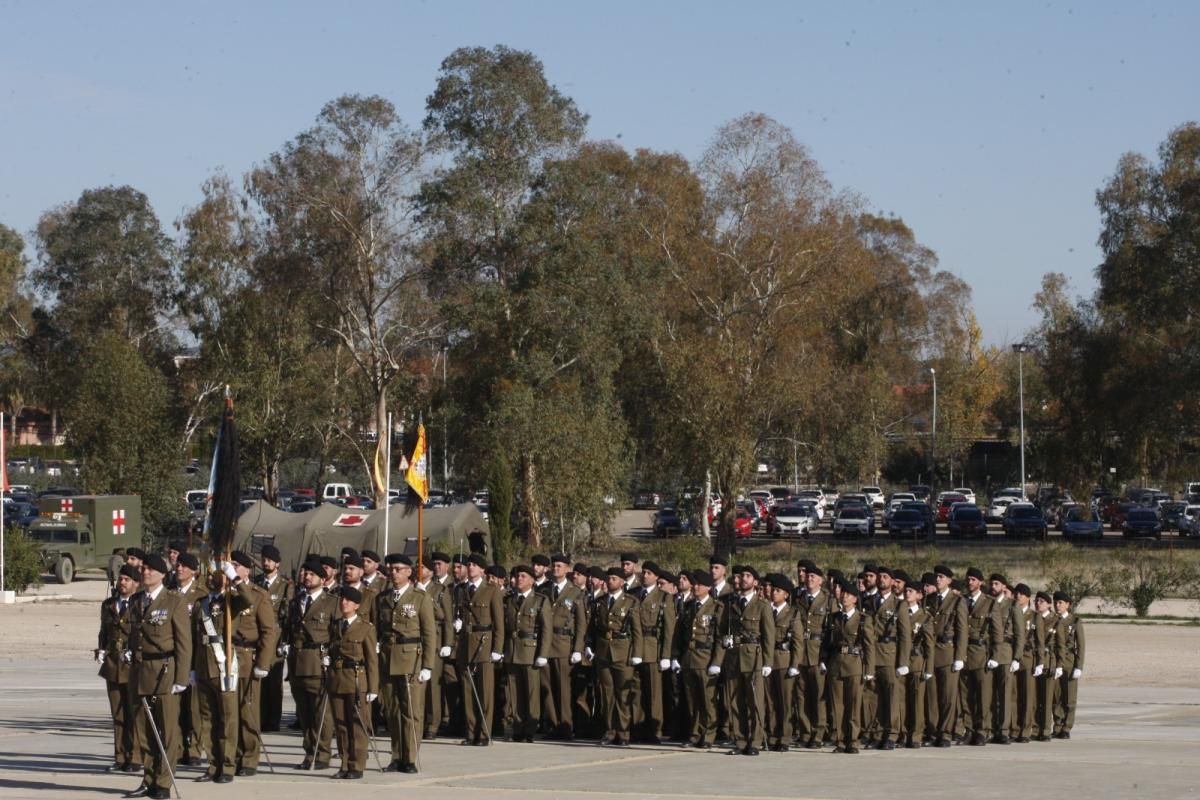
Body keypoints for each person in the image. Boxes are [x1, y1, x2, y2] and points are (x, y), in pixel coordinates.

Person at [126, 554, 192, 800]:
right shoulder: (136, 601)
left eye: (152, 570)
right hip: (141, 670)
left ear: (163, 574)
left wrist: (182, 678)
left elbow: (184, 643)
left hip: (165, 670)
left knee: (167, 730)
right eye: (144, 569)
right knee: (144, 730)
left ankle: (163, 781)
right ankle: (149, 777)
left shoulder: (173, 601)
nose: (145, 573)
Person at [190, 562, 254, 784]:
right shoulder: (200, 604)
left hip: (224, 664)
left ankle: (227, 766)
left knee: (227, 719)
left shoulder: (230, 602)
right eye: (209, 575)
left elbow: (248, 600)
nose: (211, 579)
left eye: (217, 575)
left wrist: (235, 578)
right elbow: (192, 638)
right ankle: (213, 764)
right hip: (203, 666)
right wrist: (191, 669)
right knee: (207, 719)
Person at [375, 554, 436, 773]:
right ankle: (396, 755)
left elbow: (429, 633)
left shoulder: (420, 597)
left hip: (412, 659)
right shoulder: (382, 598)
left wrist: (428, 665)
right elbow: (378, 629)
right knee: (392, 711)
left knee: (411, 711)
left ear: (409, 572)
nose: (393, 573)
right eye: (391, 569)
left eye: (398, 569)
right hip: (388, 658)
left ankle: (409, 757)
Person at [223, 551, 279, 776]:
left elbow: (268, 631)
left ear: (246, 569)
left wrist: (264, 662)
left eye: (236, 565)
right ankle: (231, 756)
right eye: (231, 565)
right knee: (229, 711)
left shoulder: (258, 595)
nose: (233, 569)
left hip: (247, 655)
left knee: (248, 711)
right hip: (226, 656)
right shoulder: (225, 592)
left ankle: (249, 758)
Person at [286, 557, 338, 770]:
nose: (307, 577)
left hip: (318, 663)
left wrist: (332, 658)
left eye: (312, 574)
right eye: (305, 573)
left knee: (321, 713)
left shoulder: (332, 603)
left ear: (323, 579)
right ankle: (309, 752)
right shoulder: (295, 602)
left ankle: (323, 754)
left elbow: (337, 634)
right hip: (298, 662)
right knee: (305, 713)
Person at [326, 586, 378, 780]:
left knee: (357, 724)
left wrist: (372, 687)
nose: (343, 603)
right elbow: (331, 649)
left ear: (357, 605)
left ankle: (357, 765)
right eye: (342, 599)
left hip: (357, 680)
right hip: (337, 679)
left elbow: (372, 659)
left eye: (348, 600)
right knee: (341, 725)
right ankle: (345, 762)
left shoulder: (366, 627)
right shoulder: (336, 625)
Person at [722, 565, 774, 756]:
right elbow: (723, 630)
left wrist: (768, 662)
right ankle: (740, 740)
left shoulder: (762, 605)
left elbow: (769, 635)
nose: (743, 579)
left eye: (747, 576)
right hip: (734, 656)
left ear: (755, 582)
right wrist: (724, 640)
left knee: (755, 701)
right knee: (735, 701)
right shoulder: (731, 604)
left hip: (754, 657)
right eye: (741, 575)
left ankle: (756, 741)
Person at [455, 554, 505, 746]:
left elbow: (499, 622)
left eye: (474, 565)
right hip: (466, 642)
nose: (471, 567)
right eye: (469, 564)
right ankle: (470, 732)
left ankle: (484, 732)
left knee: (484, 691)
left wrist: (497, 648)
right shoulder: (462, 589)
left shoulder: (491, 590)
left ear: (483, 570)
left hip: (484, 643)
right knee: (468, 691)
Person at [97, 564, 143, 774]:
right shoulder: (108, 605)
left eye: (127, 579)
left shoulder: (140, 604)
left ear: (136, 583)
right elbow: (104, 632)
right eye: (121, 579)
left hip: (132, 665)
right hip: (113, 664)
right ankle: (120, 755)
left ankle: (134, 756)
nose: (122, 583)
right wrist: (101, 650)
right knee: (118, 713)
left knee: (134, 712)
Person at [589, 567, 642, 746]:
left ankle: (624, 732)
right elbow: (594, 627)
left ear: (621, 582)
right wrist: (590, 647)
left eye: (614, 578)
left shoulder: (631, 602)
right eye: (608, 578)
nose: (610, 581)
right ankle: (610, 730)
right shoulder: (600, 601)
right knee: (607, 694)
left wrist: (637, 653)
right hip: (604, 652)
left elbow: (637, 632)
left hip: (623, 651)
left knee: (623, 694)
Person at [673, 570, 724, 748]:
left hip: (706, 658)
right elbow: (680, 634)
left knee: (707, 701)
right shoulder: (688, 606)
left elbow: (720, 638)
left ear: (708, 587)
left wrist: (716, 662)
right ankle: (695, 734)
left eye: (699, 584)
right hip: (689, 658)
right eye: (694, 584)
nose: (695, 587)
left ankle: (709, 735)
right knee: (692, 700)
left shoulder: (717, 607)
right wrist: (676, 657)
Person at [823, 581, 875, 754]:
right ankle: (840, 739)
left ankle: (852, 740)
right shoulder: (834, 618)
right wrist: (824, 660)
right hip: (836, 663)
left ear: (855, 599)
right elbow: (827, 642)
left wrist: (869, 670)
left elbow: (869, 646)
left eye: (849, 595)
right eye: (843, 593)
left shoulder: (862, 619)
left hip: (854, 663)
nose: (844, 597)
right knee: (837, 706)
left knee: (853, 704)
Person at [503, 565, 552, 742]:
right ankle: (517, 727)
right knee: (515, 693)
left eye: (523, 576)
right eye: (518, 576)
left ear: (532, 580)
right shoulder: (509, 599)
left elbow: (547, 629)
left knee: (531, 693)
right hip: (513, 649)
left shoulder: (540, 600)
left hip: (531, 650)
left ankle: (530, 728)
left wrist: (543, 654)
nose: (519, 579)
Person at [631, 560, 676, 743]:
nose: (645, 575)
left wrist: (666, 655)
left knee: (653, 694)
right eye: (644, 572)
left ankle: (654, 730)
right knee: (636, 692)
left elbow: (668, 629)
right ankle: (637, 728)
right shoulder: (633, 596)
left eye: (649, 573)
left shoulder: (664, 598)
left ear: (657, 577)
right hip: (635, 649)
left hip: (652, 648)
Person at [169, 553, 206, 768]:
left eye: (185, 566)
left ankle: (194, 749)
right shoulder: (169, 593)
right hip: (173, 655)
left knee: (194, 708)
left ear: (194, 571)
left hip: (194, 656)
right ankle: (179, 748)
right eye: (178, 565)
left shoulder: (201, 595)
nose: (179, 568)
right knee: (176, 707)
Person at [544, 554, 586, 740]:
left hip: (563, 644)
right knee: (547, 688)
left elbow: (581, 624)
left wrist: (577, 648)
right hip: (546, 644)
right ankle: (552, 725)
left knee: (563, 689)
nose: (556, 569)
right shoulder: (544, 590)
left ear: (567, 569)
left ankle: (566, 726)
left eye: (559, 566)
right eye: (554, 565)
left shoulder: (575, 592)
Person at [868, 567, 910, 750]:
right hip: (872, 654)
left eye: (886, 577)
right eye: (880, 577)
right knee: (875, 696)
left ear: (893, 582)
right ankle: (877, 732)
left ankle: (892, 733)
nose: (882, 580)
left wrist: (903, 662)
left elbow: (904, 635)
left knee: (892, 696)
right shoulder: (869, 601)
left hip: (890, 654)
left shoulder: (899, 605)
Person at [253, 544, 293, 733]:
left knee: (274, 681)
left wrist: (285, 640)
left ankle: (273, 719)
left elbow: (288, 614)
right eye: (264, 559)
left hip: (276, 638)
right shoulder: (257, 582)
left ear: (277, 563)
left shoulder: (286, 585)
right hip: (259, 636)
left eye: (269, 560)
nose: (265, 562)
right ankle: (260, 717)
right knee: (259, 679)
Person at [960, 567, 1002, 746]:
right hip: (964, 653)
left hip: (982, 653)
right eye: (968, 580)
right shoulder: (961, 601)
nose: (970, 583)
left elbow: (997, 632)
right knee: (966, 695)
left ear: (980, 582)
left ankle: (983, 730)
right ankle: (969, 729)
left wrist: (995, 655)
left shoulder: (990, 603)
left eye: (973, 580)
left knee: (984, 696)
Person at [415, 554, 454, 739]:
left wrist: (447, 643)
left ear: (430, 572)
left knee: (432, 688)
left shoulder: (440, 590)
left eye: (422, 567)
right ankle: (419, 722)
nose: (418, 570)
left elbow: (444, 617)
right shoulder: (412, 588)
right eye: (417, 567)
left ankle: (432, 724)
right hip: (416, 642)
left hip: (435, 642)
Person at [927, 564, 967, 747]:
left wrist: (959, 657)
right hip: (931, 653)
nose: (937, 579)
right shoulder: (930, 600)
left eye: (941, 577)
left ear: (949, 580)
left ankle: (945, 733)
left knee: (948, 697)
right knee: (933, 696)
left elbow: (962, 631)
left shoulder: (957, 601)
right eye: (936, 576)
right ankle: (934, 730)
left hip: (948, 652)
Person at [792, 564, 830, 749]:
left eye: (813, 576)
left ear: (821, 580)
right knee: (801, 696)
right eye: (808, 576)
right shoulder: (799, 599)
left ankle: (818, 733)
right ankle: (805, 732)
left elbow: (830, 630)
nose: (809, 579)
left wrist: (826, 656)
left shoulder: (827, 601)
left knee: (818, 696)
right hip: (801, 653)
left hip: (817, 652)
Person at [764, 573, 799, 752]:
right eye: (772, 590)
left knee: (785, 702)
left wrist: (794, 665)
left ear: (786, 594)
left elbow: (797, 642)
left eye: (778, 591)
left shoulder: (792, 613)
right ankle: (772, 734)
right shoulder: (766, 610)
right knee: (770, 702)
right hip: (768, 661)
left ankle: (785, 737)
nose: (773, 593)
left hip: (784, 661)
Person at [988, 573, 1023, 744]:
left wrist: (1016, 657)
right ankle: (990, 728)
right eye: (991, 584)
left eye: (996, 584)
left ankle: (1003, 730)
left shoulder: (1011, 605)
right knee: (989, 695)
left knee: (1004, 694)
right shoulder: (986, 603)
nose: (993, 586)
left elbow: (1019, 633)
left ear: (1003, 587)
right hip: (987, 653)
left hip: (1005, 654)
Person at [900, 580, 934, 748]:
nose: (907, 594)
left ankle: (916, 735)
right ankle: (903, 732)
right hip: (901, 660)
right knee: (902, 700)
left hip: (916, 660)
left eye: (911, 591)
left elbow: (929, 644)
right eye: (906, 591)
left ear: (919, 595)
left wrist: (928, 667)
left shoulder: (925, 616)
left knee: (917, 700)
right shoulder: (900, 612)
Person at [1052, 591, 1085, 739]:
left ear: (1068, 605)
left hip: (1070, 661)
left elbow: (1081, 645)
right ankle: (1057, 725)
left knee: (1070, 697)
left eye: (1060, 603)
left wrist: (1079, 666)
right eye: (1056, 603)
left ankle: (1067, 726)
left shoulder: (1075, 621)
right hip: (1055, 661)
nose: (1057, 605)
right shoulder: (1052, 620)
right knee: (1057, 695)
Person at [1010, 583, 1038, 743]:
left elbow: (1040, 641)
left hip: (1027, 658)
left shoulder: (1034, 616)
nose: (1018, 596)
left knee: (1027, 696)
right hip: (1012, 656)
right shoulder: (1010, 612)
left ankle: (1026, 730)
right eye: (1016, 593)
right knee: (1013, 695)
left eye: (1021, 594)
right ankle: (1014, 729)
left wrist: (1039, 661)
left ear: (1028, 597)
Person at [1032, 590, 1057, 741]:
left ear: (1049, 604)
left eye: (1041, 601)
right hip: (1033, 660)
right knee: (1033, 698)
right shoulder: (1032, 618)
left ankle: (1046, 730)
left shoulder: (1055, 620)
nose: (1038, 603)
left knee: (1046, 699)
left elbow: (1059, 644)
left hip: (1047, 662)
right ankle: (1034, 729)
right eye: (1036, 601)